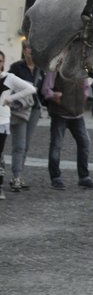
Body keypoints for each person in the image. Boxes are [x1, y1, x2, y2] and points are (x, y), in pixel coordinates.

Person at [42, 61, 93, 190]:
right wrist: (53, 95)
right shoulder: (56, 67)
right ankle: (55, 177)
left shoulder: (81, 67)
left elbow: (85, 86)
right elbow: (45, 89)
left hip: (77, 114)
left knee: (85, 143)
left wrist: (84, 95)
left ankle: (84, 177)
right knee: (56, 145)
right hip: (60, 113)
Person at [0, 52, 38, 200]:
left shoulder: (8, 77)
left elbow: (31, 89)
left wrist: (11, 98)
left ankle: (1, 187)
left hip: (2, 120)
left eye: (1, 61)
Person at [7, 42, 41, 191]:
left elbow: (45, 90)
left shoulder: (40, 69)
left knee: (26, 145)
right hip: (19, 110)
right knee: (19, 145)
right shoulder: (16, 67)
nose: (31, 52)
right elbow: (7, 85)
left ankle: (19, 175)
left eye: (34, 49)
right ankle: (16, 176)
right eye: (29, 49)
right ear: (24, 50)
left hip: (35, 109)